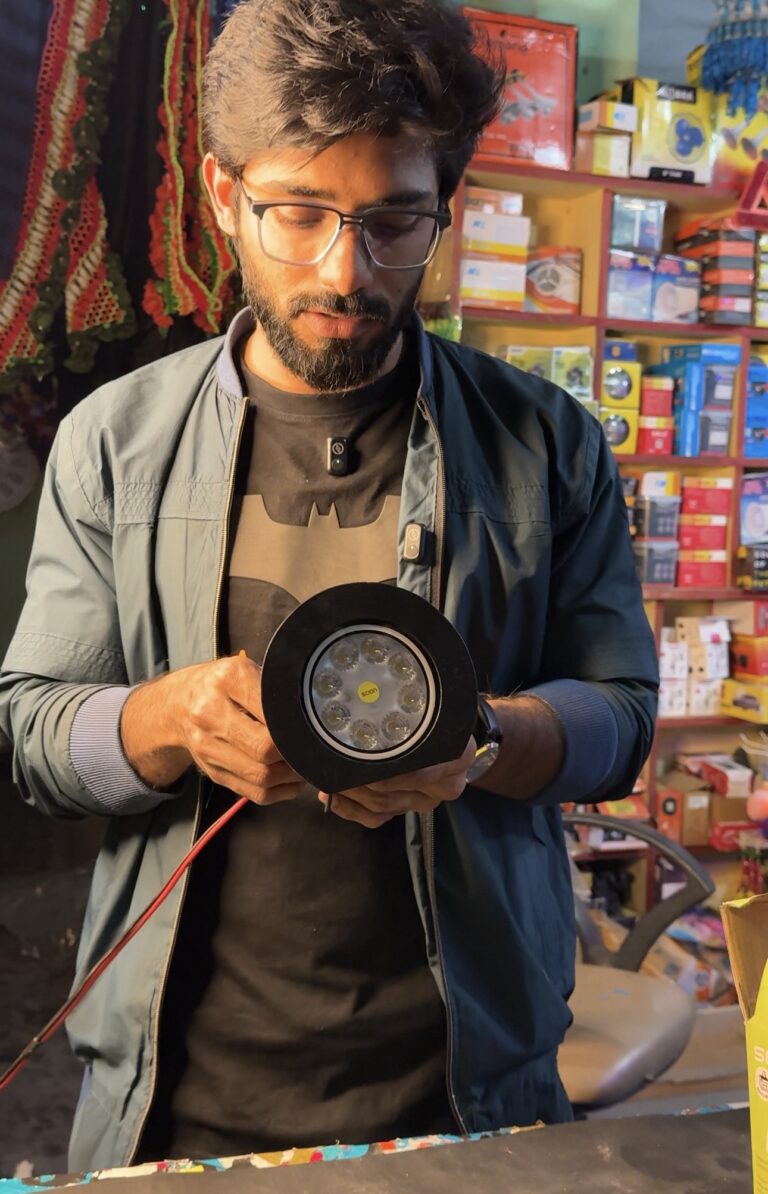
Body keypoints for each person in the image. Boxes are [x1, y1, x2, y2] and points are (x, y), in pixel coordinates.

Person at [0, 0, 659, 1173]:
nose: (343, 271)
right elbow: (34, 734)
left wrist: (485, 738)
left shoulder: (546, 443)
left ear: (445, 204)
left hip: (473, 1087)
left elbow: (621, 719)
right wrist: (171, 719)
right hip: (178, 1092)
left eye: (394, 221)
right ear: (221, 194)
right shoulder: (114, 442)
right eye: (297, 213)